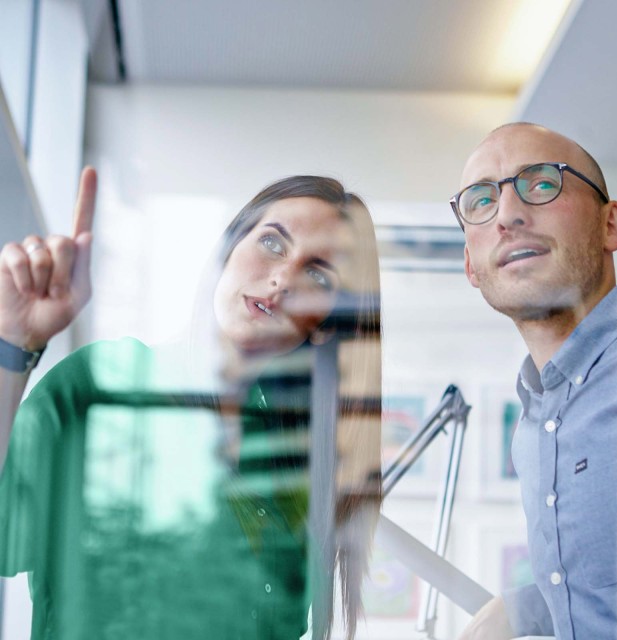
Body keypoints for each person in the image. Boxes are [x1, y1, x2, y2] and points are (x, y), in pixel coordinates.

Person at [0, 170, 382, 640]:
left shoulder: (292, 459)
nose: (283, 278)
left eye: (318, 274)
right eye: (273, 243)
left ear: (326, 321)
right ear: (228, 247)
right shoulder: (101, 384)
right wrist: (10, 348)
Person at [451, 122, 617, 640]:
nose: (508, 215)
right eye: (481, 200)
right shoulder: (536, 420)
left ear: (612, 224)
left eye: (541, 184)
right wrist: (523, 609)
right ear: (472, 264)